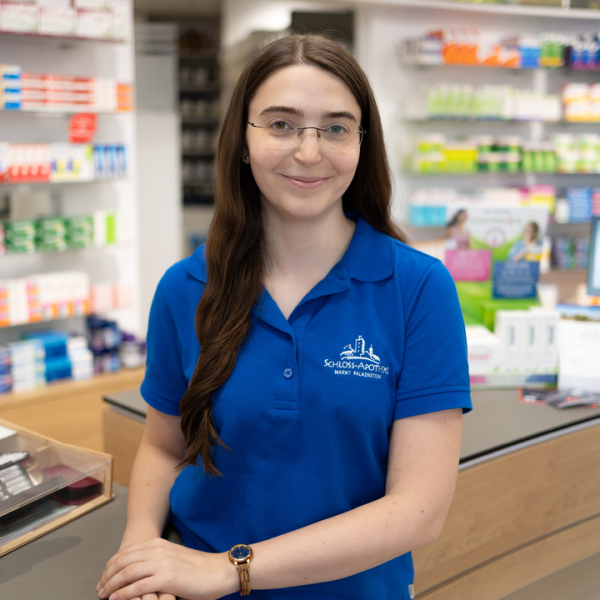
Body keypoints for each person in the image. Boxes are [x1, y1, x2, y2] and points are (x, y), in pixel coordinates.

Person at [97, 34, 471, 600]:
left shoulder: (417, 289)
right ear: (243, 142)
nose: (309, 151)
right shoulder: (185, 288)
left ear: (362, 145)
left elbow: (418, 510)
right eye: (281, 124)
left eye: (336, 128)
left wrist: (229, 569)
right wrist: (140, 553)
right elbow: (164, 446)